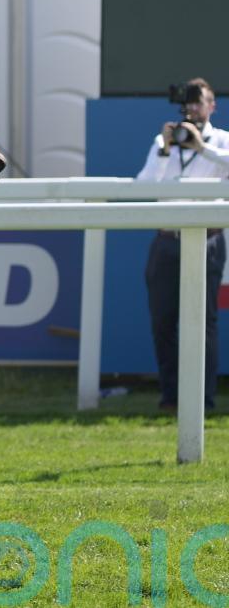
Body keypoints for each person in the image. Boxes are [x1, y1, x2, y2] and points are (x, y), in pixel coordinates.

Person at [135, 77, 229, 412]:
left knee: (203, 321)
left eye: (198, 102)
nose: (192, 109)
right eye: (187, 103)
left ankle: (203, 399)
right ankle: (171, 397)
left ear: (212, 106)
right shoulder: (164, 140)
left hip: (207, 240)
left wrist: (202, 148)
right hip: (166, 240)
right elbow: (143, 186)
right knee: (162, 321)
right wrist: (165, 149)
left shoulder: (223, 140)